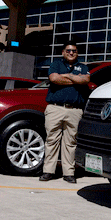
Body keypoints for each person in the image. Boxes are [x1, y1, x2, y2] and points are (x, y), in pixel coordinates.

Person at [40, 41, 89, 184]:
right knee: (51, 140)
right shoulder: (56, 64)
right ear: (63, 52)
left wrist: (65, 77)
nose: (71, 53)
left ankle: (69, 173)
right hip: (55, 108)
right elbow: (54, 78)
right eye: (68, 50)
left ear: (77, 53)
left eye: (74, 50)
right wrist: (75, 78)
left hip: (74, 110)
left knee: (70, 143)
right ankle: (48, 171)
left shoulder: (83, 67)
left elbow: (85, 79)